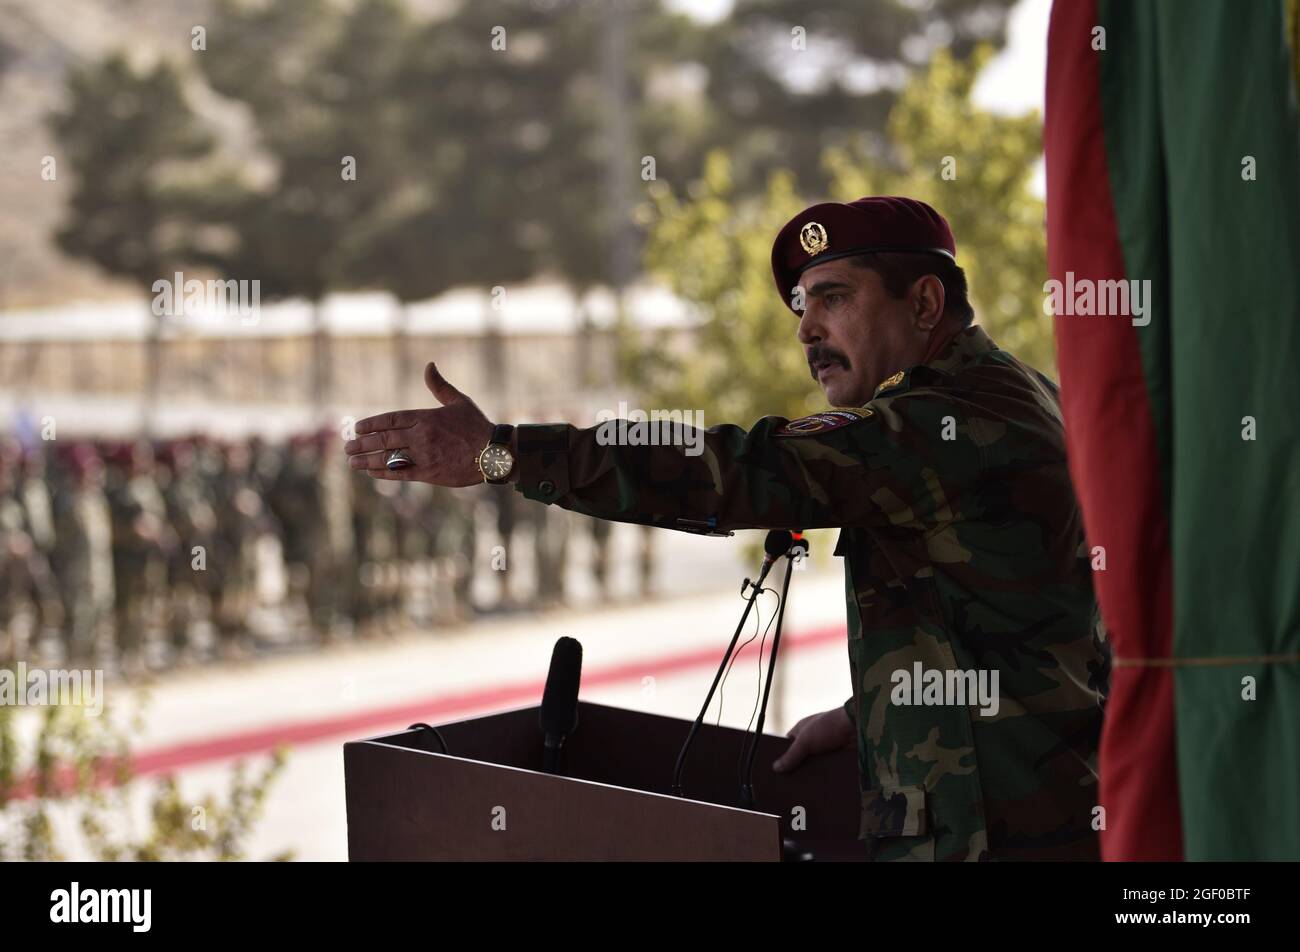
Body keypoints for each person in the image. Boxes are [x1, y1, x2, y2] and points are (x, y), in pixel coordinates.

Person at [342, 196, 1107, 862]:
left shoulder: (949, 425)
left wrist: (506, 451)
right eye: (801, 307)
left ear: (925, 303)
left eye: (834, 298)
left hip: (997, 837)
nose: (807, 330)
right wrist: (866, 715)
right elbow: (1019, 623)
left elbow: (733, 468)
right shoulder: (1016, 393)